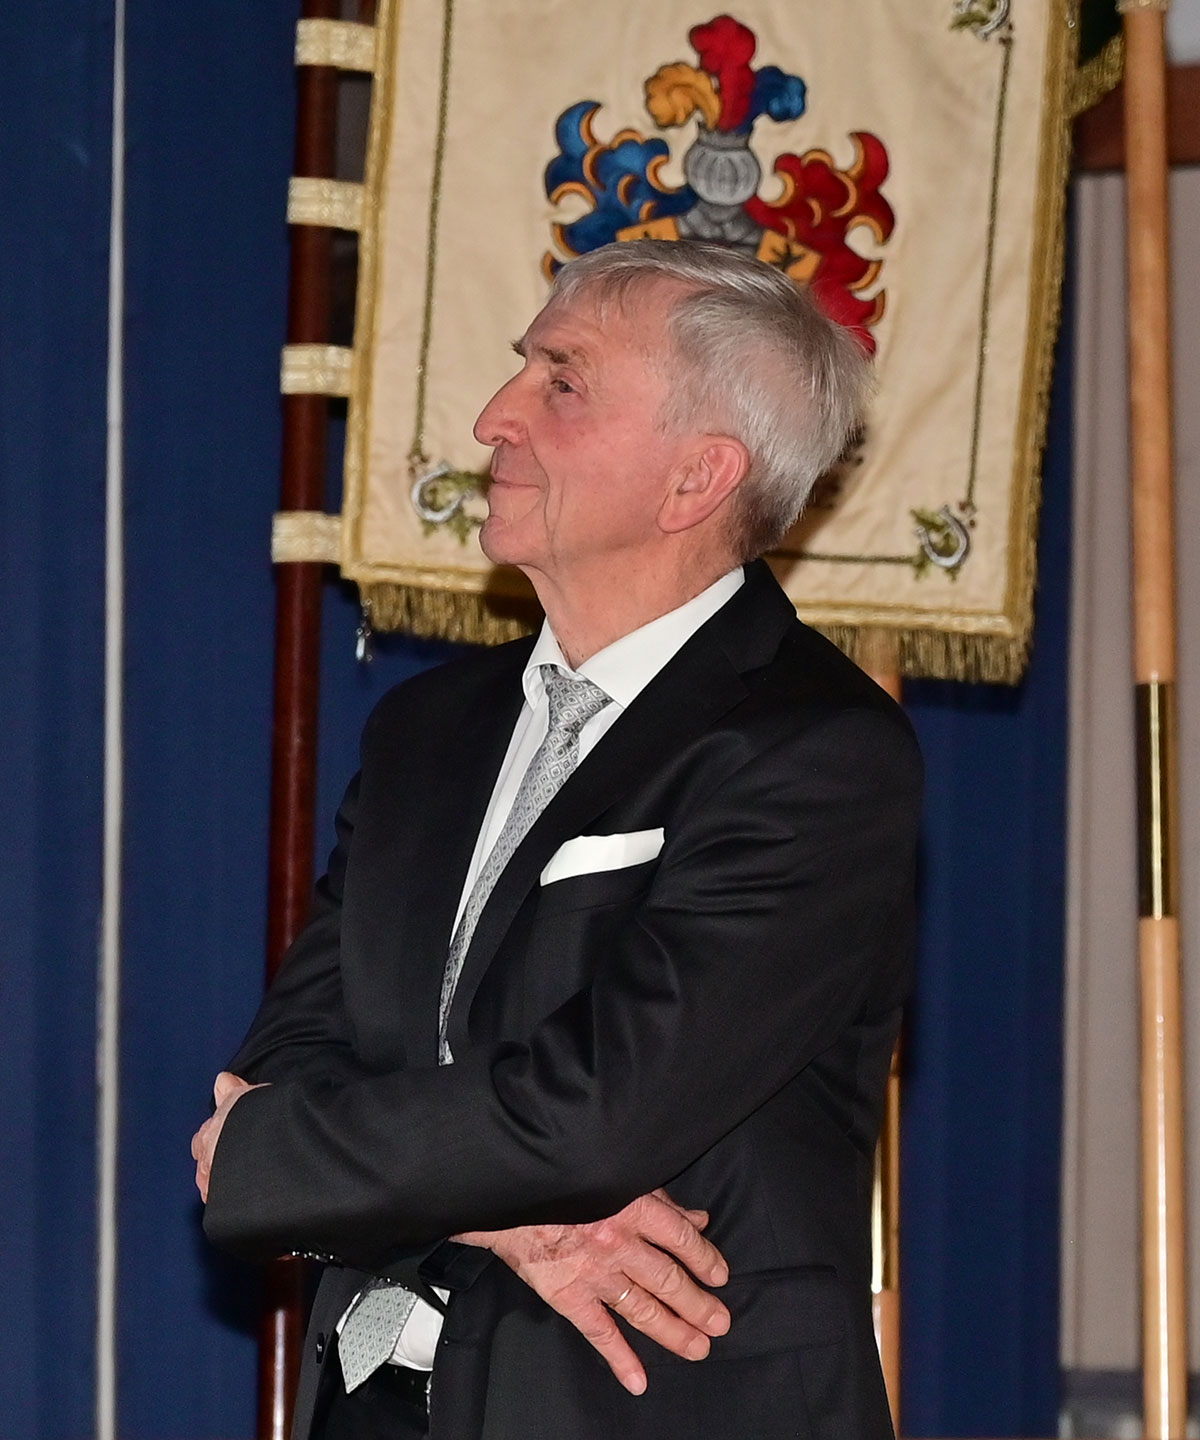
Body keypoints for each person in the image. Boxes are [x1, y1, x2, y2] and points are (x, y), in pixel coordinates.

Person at [194, 239, 922, 1440]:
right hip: (372, 1404)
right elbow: (279, 1076)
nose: (496, 417)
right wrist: (510, 1222)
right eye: (520, 369)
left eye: (562, 382)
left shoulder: (815, 752)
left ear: (696, 478)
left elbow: (595, 1114)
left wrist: (298, 1154)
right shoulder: (428, 729)